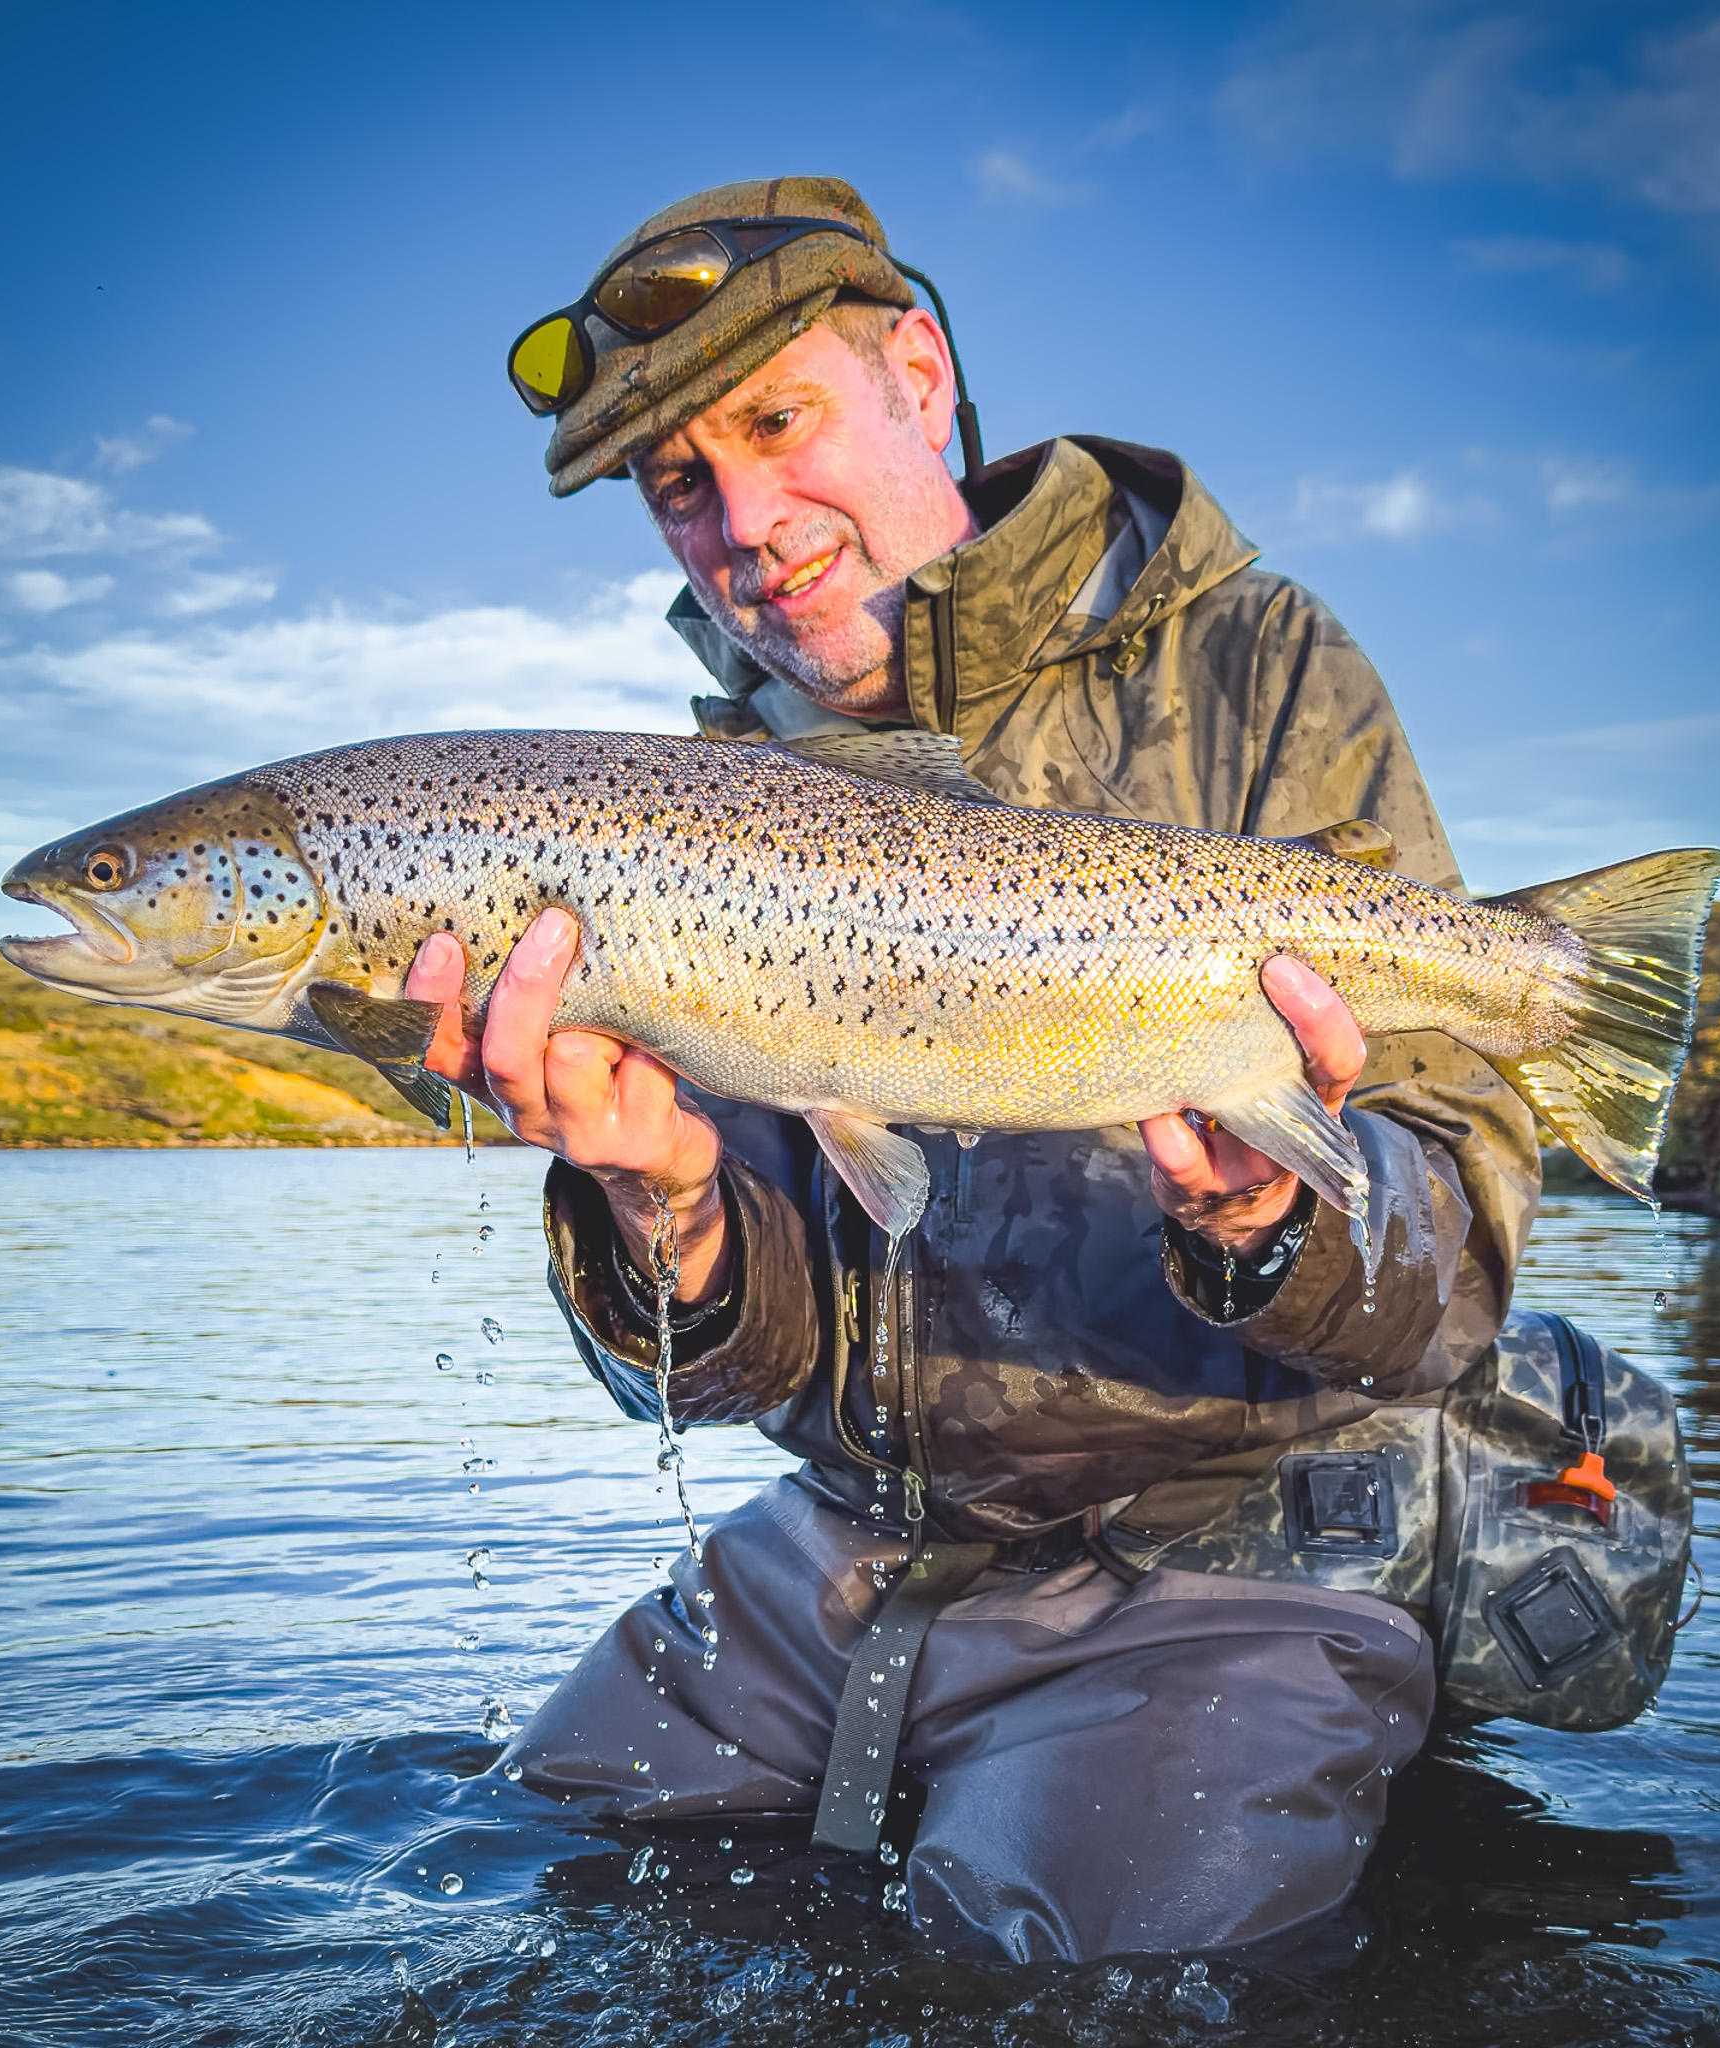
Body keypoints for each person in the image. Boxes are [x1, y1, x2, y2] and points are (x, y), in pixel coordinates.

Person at [411, 175, 1539, 1962]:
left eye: (777, 423)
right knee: (521, 1886)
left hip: (1218, 1560)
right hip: (846, 1551)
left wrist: (1274, 1212)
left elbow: (1454, 1286)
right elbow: (736, 1364)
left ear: (921, 378)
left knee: (1058, 1976)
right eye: (677, 483)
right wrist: (669, 1206)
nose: (745, 522)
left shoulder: (1259, 661)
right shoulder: (686, 816)